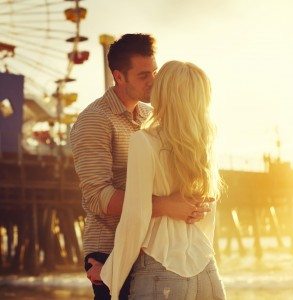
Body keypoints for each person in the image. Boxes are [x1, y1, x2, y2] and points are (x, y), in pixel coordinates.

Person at [70, 34, 211, 300]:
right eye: (143, 75)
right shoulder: (94, 121)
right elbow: (98, 196)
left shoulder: (151, 115)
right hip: (111, 248)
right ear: (119, 76)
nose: (154, 81)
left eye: (155, 72)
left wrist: (193, 204)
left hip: (150, 248)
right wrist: (167, 205)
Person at [100, 60, 227, 300]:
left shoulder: (143, 141)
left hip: (162, 269)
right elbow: (207, 216)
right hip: (206, 269)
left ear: (163, 94)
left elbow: (135, 217)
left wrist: (112, 276)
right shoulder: (204, 143)